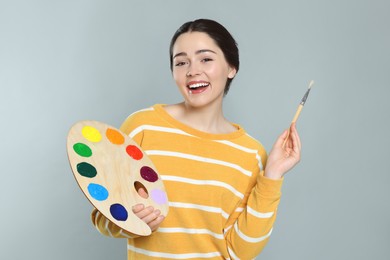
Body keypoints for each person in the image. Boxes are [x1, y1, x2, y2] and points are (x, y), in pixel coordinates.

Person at [91, 18, 301, 259]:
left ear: (232, 67)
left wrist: (272, 176)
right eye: (181, 62)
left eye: (206, 59)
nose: (192, 71)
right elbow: (101, 216)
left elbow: (241, 251)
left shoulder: (250, 154)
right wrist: (128, 221)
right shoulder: (141, 127)